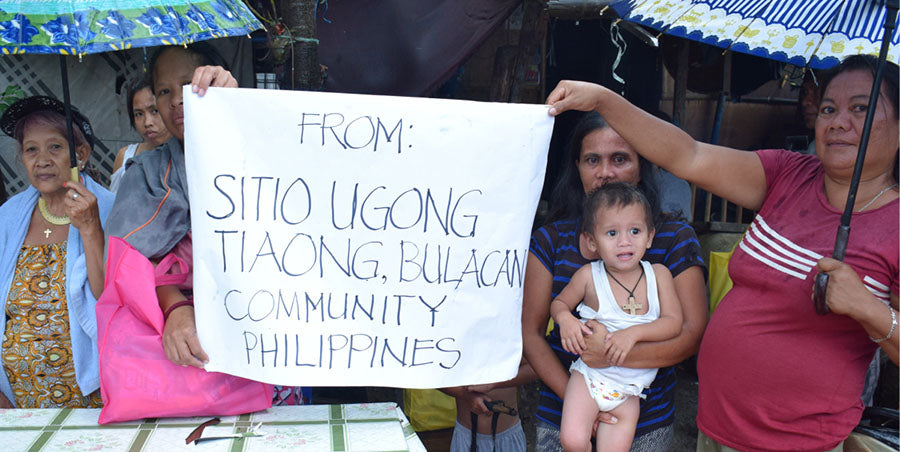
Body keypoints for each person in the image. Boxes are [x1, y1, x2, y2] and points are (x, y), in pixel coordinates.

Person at [545, 54, 898, 451]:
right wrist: (604, 101)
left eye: (861, 108)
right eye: (829, 108)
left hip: (799, 441)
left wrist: (868, 308)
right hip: (716, 429)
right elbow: (689, 156)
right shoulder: (788, 174)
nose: (838, 121)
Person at [523, 112, 707, 451]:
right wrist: (585, 404)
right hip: (564, 411)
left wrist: (609, 356)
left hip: (644, 418)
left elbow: (690, 336)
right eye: (592, 160)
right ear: (577, 166)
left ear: (642, 164)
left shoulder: (673, 239)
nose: (605, 172)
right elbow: (531, 335)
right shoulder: (551, 240)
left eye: (619, 159)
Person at [0, 96, 114, 408]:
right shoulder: (8, 218)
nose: (42, 160)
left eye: (55, 147)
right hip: (18, 401)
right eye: (31, 149)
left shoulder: (109, 209)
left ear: (81, 153)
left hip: (94, 397)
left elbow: (110, 298)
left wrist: (91, 228)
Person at [552, 182, 682, 452]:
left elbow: (673, 322)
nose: (625, 241)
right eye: (612, 233)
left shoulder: (658, 276)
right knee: (573, 441)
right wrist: (565, 320)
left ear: (649, 236)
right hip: (587, 379)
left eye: (635, 231)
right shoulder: (589, 276)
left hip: (630, 391)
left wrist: (632, 334)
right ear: (591, 241)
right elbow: (559, 303)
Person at [108, 76, 171, 193]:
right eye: (139, 114)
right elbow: (115, 205)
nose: (147, 122)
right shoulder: (126, 157)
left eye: (155, 111)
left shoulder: (188, 155)